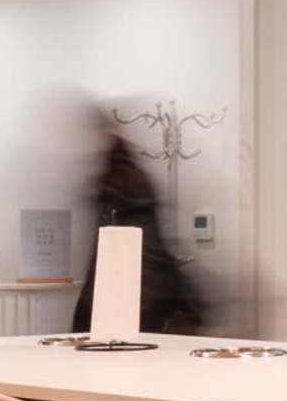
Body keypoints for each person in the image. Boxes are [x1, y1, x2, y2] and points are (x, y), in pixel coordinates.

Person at [81, 108, 203, 335]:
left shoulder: (121, 177)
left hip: (139, 286)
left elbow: (140, 239)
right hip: (139, 284)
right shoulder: (120, 172)